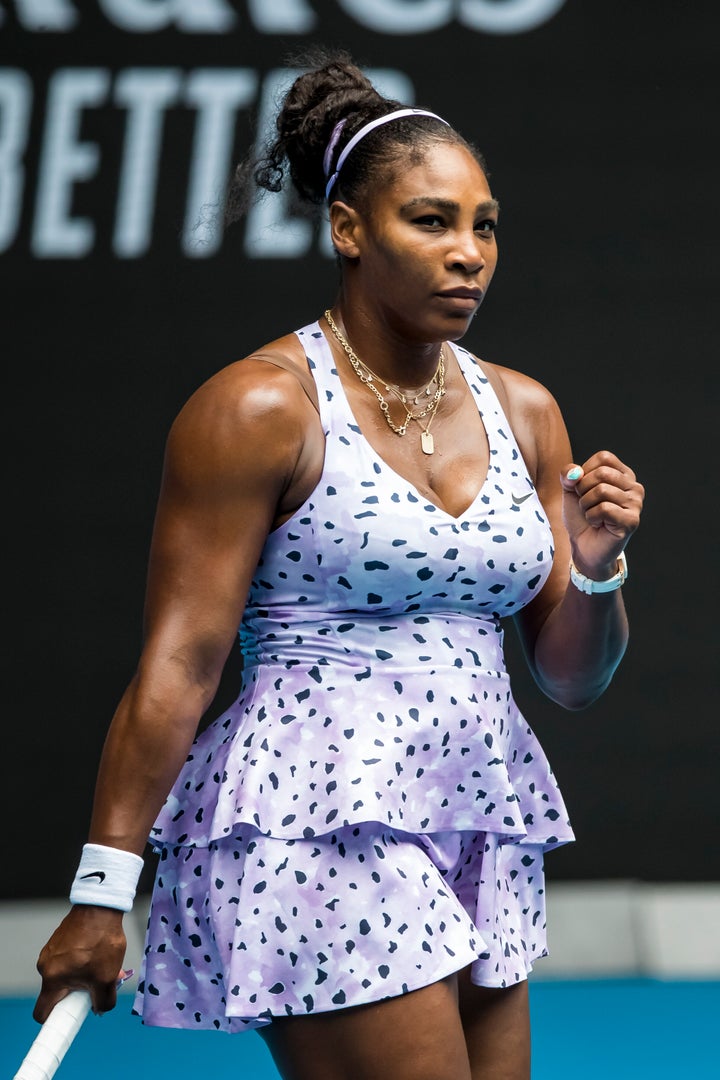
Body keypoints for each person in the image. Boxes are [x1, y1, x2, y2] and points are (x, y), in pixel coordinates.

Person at [33, 50, 644, 1080]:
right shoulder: (260, 407)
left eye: (484, 224)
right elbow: (180, 665)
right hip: (308, 821)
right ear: (348, 230)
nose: (469, 254)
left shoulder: (528, 411)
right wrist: (101, 890)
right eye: (431, 221)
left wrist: (594, 570)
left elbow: (573, 679)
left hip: (473, 818)